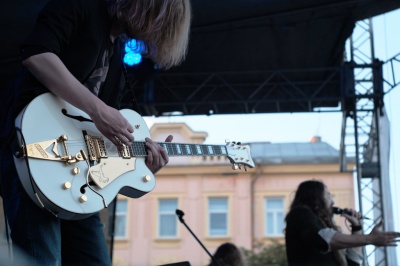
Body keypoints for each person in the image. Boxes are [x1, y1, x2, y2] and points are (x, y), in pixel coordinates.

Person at [0, 0, 191, 265]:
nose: (154, 34)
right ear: (147, 7)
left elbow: (99, 137)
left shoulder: (119, 50)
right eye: (159, 23)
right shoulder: (82, 6)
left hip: (83, 180)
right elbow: (37, 54)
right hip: (33, 150)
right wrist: (98, 109)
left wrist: (140, 167)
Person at [284, 179, 400, 266]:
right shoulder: (300, 214)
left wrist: (357, 227)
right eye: (328, 195)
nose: (332, 201)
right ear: (315, 198)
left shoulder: (319, 223)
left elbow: (353, 261)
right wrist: (369, 239)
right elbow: (322, 238)